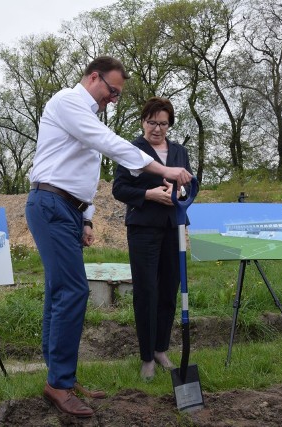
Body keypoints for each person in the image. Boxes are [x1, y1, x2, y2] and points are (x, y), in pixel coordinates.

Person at [26, 57, 192, 418]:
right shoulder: (68, 102)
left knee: (60, 291)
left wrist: (86, 219)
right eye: (111, 90)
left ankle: (61, 378)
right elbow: (109, 144)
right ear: (93, 77)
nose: (114, 98)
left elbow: (81, 172)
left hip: (67, 209)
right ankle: (59, 383)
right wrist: (163, 169)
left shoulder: (87, 115)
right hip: (50, 205)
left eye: (118, 94)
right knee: (74, 290)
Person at [112, 96, 193, 381]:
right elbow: (119, 189)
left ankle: (161, 349)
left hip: (173, 227)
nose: (157, 129)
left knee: (170, 288)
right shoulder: (132, 150)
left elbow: (190, 183)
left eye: (163, 123)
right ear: (142, 121)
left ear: (170, 124)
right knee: (147, 291)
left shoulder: (180, 152)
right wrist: (148, 194)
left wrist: (181, 194)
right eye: (151, 122)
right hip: (143, 228)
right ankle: (146, 356)